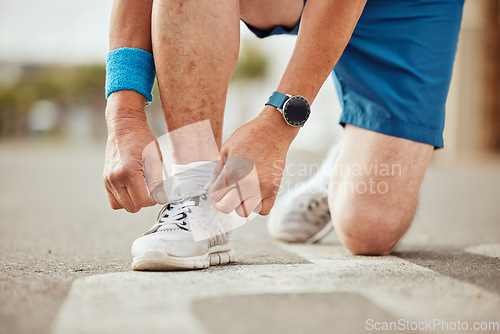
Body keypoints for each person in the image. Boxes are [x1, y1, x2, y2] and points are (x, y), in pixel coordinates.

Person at [103, 0, 464, 270]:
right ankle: (195, 190)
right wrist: (123, 114)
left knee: (370, 228)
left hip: (408, 8)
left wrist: (275, 128)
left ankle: (344, 159)